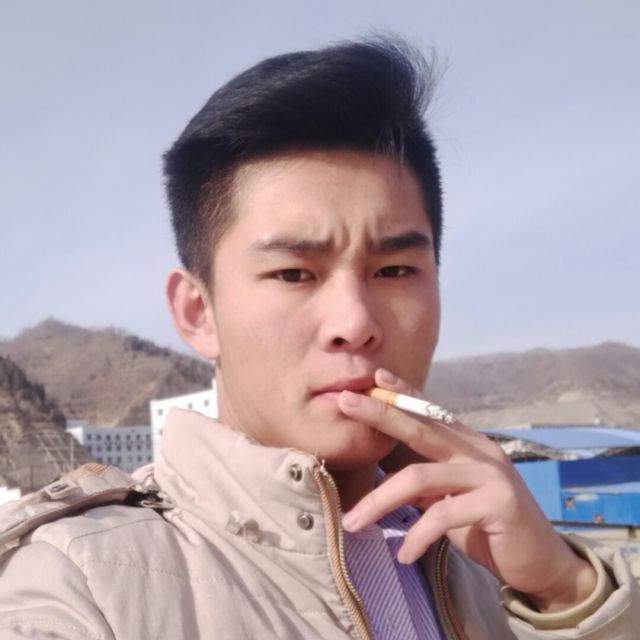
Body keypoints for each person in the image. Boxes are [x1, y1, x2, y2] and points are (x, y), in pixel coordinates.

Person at [0, 38, 638, 639]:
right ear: (199, 312)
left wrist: (567, 592)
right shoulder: (81, 582)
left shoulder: (501, 558)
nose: (354, 322)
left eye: (395, 271)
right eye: (293, 274)